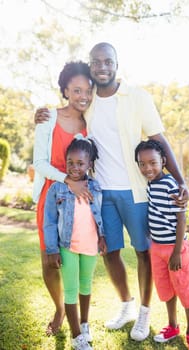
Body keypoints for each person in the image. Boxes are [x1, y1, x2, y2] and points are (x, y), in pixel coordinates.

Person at [34, 42, 189, 342]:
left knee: (144, 253)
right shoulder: (87, 103)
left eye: (108, 61)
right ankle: (127, 306)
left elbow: (159, 138)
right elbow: (67, 106)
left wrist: (180, 180)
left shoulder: (137, 97)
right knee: (110, 253)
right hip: (101, 193)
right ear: (91, 66)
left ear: (117, 64)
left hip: (136, 192)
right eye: (97, 62)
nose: (102, 67)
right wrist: (41, 113)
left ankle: (144, 314)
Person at [33, 61, 94, 336]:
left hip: (78, 200)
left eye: (87, 90)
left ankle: (74, 313)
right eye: (77, 90)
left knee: (72, 257)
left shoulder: (89, 123)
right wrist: (67, 180)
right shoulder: (48, 119)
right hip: (51, 193)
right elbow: (40, 163)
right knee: (49, 258)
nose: (83, 96)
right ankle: (59, 308)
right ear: (66, 90)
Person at [135, 139, 189, 350]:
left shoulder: (170, 184)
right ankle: (172, 326)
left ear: (163, 160)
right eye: (142, 164)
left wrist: (176, 252)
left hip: (176, 249)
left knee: (186, 289)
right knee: (165, 289)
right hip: (157, 249)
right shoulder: (150, 184)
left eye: (153, 162)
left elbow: (181, 219)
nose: (148, 168)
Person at [44, 136, 107, 350]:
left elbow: (100, 216)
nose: (74, 167)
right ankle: (76, 335)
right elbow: (50, 222)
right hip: (67, 247)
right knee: (71, 290)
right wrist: (52, 250)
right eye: (70, 162)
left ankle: (84, 324)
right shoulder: (57, 189)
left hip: (90, 247)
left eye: (80, 163)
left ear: (89, 164)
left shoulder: (96, 187)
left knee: (86, 285)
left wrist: (102, 237)